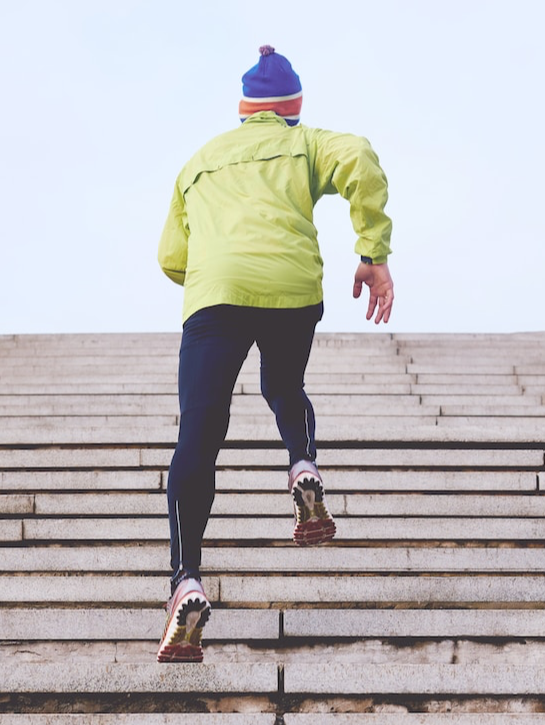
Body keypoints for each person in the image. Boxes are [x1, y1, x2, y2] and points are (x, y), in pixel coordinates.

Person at [156, 45, 394, 663]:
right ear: (292, 108)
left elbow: (170, 258)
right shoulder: (306, 141)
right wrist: (372, 251)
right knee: (283, 386)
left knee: (200, 434)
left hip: (216, 297)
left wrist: (218, 269)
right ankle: (302, 464)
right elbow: (360, 157)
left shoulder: (198, 161)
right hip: (291, 289)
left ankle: (186, 579)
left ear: (243, 109)